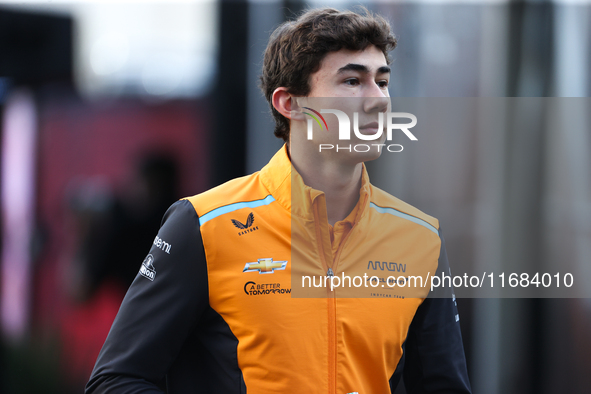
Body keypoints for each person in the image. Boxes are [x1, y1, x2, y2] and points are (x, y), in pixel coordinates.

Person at [86, 7, 472, 394]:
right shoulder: (204, 225)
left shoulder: (420, 239)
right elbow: (115, 381)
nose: (378, 100)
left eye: (383, 81)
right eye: (353, 81)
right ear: (289, 103)